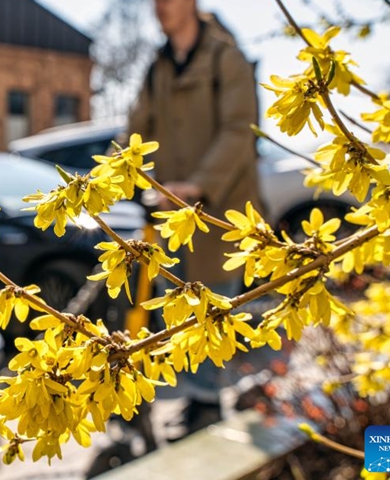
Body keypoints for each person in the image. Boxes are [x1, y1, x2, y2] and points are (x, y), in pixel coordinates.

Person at [128, 0, 261, 437]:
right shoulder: (157, 66)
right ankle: (194, 401)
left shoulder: (226, 55)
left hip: (219, 213)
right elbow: (135, 128)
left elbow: (239, 129)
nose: (159, 9)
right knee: (177, 314)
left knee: (213, 313)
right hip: (172, 215)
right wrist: (113, 174)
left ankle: (208, 405)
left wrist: (199, 184)